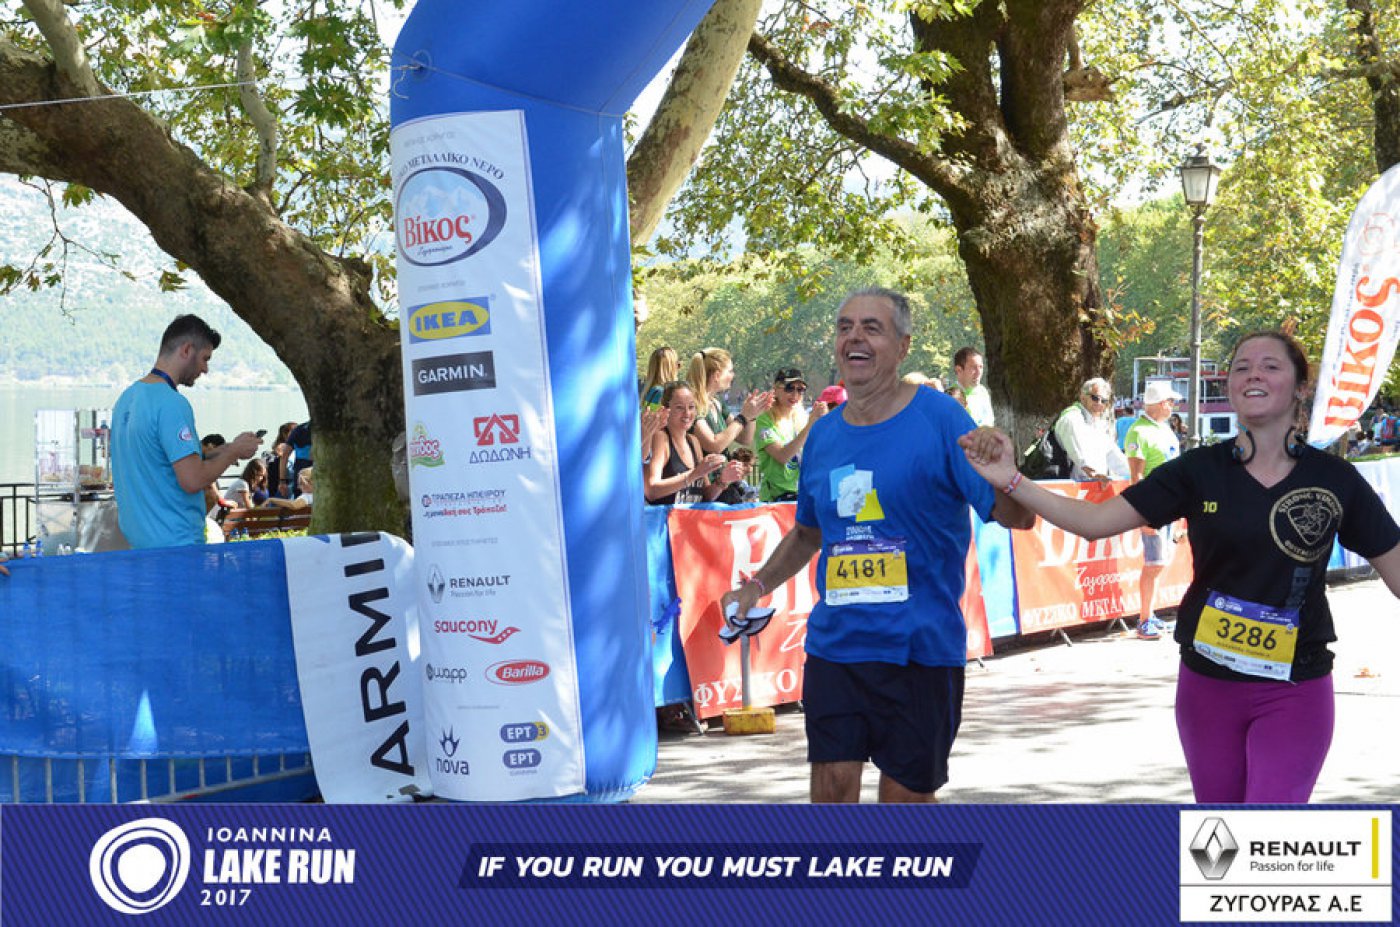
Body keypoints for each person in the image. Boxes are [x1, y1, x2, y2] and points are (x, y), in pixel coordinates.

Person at [959, 330, 1400, 804]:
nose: (1253, 374)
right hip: (1209, 687)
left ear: (1300, 387)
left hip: (1296, 686)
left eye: (1270, 366)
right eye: (1241, 366)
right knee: (1219, 832)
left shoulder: (1334, 479)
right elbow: (1093, 522)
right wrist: (1011, 480)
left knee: (1270, 822)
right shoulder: (1198, 470)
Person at [722, 288, 1033, 804]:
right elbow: (807, 533)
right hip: (837, 647)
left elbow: (1019, 517)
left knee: (903, 803)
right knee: (832, 791)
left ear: (903, 345)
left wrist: (1007, 470)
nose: (855, 338)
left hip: (920, 651)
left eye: (872, 327)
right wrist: (755, 587)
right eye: (845, 327)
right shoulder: (823, 436)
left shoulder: (941, 419)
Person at [111, 315, 261, 549]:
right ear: (187, 350)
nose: (205, 369)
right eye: (205, 359)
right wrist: (234, 454)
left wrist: (231, 447)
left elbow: (163, 459)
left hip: (140, 546)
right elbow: (193, 479)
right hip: (178, 546)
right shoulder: (172, 403)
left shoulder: (126, 399)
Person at [1124, 380, 1184, 639]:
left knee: (1160, 563)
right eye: (1171, 401)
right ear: (1161, 403)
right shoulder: (1138, 431)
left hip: (1169, 505)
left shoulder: (1164, 429)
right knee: (1154, 564)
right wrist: (1145, 515)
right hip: (1155, 507)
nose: (1174, 406)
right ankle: (1144, 620)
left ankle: (1150, 615)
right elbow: (1136, 478)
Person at [644, 381, 744, 505]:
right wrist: (694, 474)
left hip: (690, 517)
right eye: (680, 407)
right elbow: (651, 491)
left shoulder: (693, 441)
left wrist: (723, 480)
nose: (687, 413)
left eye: (691, 407)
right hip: (665, 517)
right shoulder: (660, 438)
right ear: (666, 409)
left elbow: (706, 496)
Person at [754, 367, 827, 502]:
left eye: (800, 390)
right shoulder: (765, 420)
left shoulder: (802, 417)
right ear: (776, 389)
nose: (795, 395)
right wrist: (810, 424)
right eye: (789, 388)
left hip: (803, 494)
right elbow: (782, 456)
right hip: (775, 499)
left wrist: (825, 422)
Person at [686, 348, 772, 456]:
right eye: (730, 371)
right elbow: (714, 445)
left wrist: (751, 416)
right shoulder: (691, 405)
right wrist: (743, 417)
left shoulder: (716, 402)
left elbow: (744, 438)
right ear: (717, 375)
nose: (733, 375)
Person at [1053, 377, 1130, 483]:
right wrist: (1093, 472)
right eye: (1095, 398)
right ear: (1083, 397)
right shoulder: (1072, 418)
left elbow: (1114, 456)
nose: (1099, 403)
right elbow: (1078, 454)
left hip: (1094, 484)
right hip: (1071, 485)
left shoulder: (1098, 424)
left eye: (1104, 401)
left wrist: (1135, 473)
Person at [953, 346, 994, 427]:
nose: (979, 372)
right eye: (973, 368)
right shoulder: (951, 396)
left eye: (980, 367)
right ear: (959, 370)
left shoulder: (983, 391)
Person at [639, 346, 679, 411]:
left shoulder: (650, 391)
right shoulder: (663, 394)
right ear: (670, 369)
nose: (679, 368)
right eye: (678, 365)